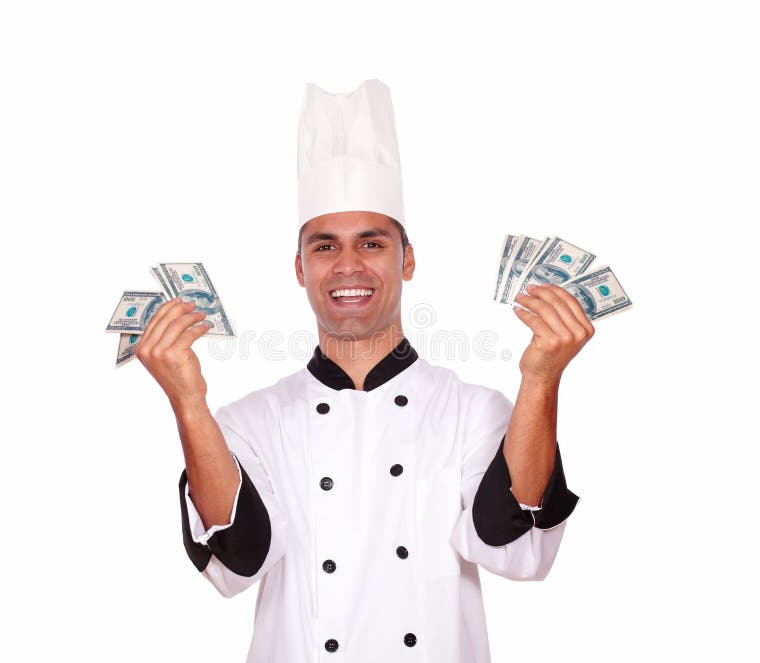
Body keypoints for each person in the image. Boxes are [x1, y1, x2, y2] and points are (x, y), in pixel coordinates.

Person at [135, 79, 594, 662]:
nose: (347, 265)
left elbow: (514, 547)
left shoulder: (475, 411)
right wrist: (187, 401)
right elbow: (236, 561)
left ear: (407, 260)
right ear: (300, 268)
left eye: (371, 244)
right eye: (324, 247)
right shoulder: (247, 423)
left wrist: (542, 379)